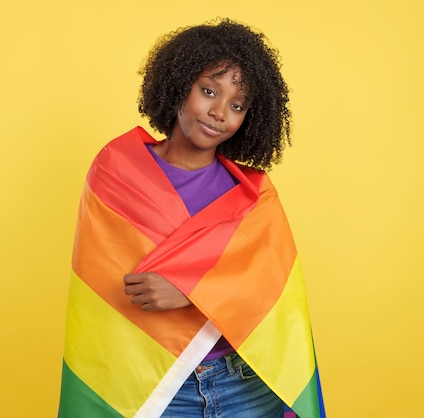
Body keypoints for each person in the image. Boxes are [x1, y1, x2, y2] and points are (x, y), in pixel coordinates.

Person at [59, 19, 325, 418]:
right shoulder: (116, 170)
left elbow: (276, 291)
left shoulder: (253, 194)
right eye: (208, 91)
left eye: (237, 105)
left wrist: (189, 290)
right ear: (179, 85)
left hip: (244, 383)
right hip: (150, 385)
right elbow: (105, 280)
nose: (219, 112)